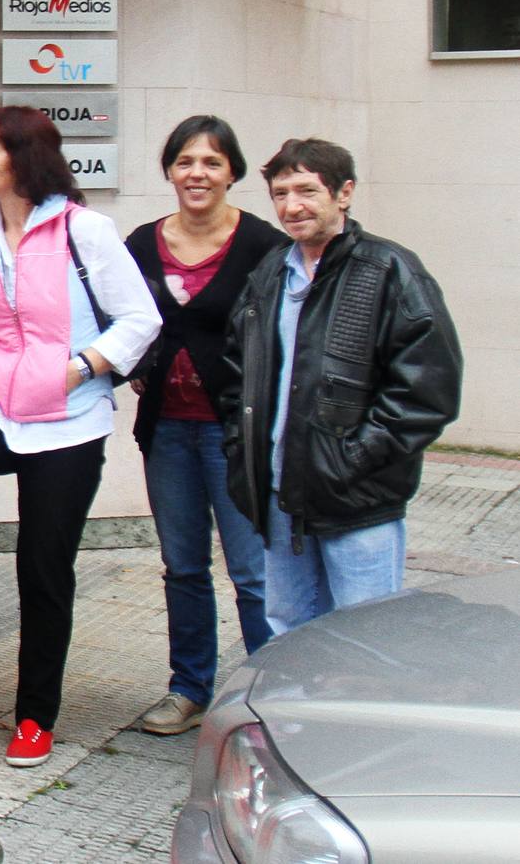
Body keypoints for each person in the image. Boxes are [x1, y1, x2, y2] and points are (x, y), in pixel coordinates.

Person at [0, 106, 160, 768]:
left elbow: (140, 320)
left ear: (24, 158)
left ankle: (35, 718)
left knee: (44, 572)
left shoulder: (86, 232)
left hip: (70, 421)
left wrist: (78, 370)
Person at [222, 138, 462, 637]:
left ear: (344, 193)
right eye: (281, 193)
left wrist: (350, 459)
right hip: (278, 496)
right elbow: (235, 375)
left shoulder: (389, 270)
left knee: (368, 639)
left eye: (307, 190)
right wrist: (241, 449)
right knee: (289, 631)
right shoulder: (269, 274)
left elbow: (429, 388)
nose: (292, 206)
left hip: (357, 502)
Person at [124, 116, 288, 736]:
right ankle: (189, 688)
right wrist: (137, 365)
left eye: (212, 162)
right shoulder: (140, 243)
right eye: (186, 161)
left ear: (233, 173)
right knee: (184, 566)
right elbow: (117, 317)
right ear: (169, 170)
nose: (198, 173)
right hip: (167, 430)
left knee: (251, 570)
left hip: (235, 435)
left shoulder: (263, 246)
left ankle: (267, 690)